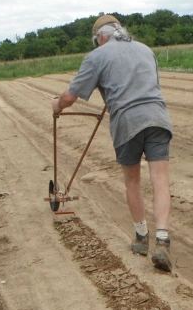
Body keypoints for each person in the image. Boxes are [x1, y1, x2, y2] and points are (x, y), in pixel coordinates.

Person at [51, 15, 174, 272]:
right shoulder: (145, 50)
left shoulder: (97, 56)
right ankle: (163, 240)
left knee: (133, 181)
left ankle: (141, 238)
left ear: (101, 37)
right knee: (160, 180)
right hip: (158, 116)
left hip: (127, 123)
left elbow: (70, 97)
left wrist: (58, 105)